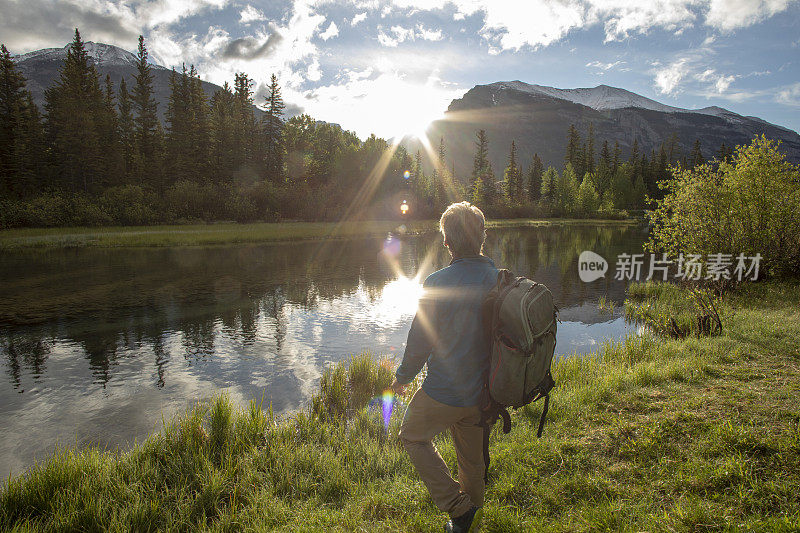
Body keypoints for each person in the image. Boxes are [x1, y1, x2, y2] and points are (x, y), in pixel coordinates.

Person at [391, 201, 497, 533]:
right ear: (482, 238)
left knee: (411, 436)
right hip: (484, 395)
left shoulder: (437, 283)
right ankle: (470, 513)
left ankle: (457, 508)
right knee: (472, 461)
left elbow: (420, 340)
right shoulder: (501, 280)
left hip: (443, 392)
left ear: (447, 242)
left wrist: (401, 379)